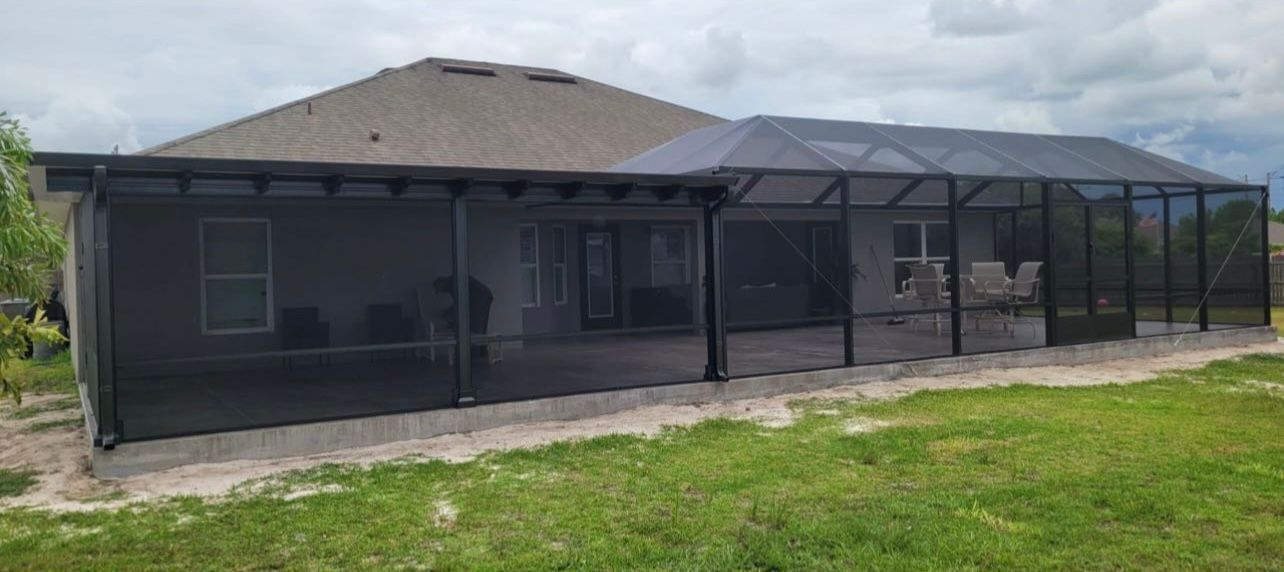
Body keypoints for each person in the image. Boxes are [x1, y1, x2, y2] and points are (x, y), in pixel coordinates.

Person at [22, 287, 70, 358]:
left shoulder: (34, 308)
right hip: (57, 345)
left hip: (38, 348)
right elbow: (65, 325)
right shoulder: (58, 306)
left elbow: (26, 324)